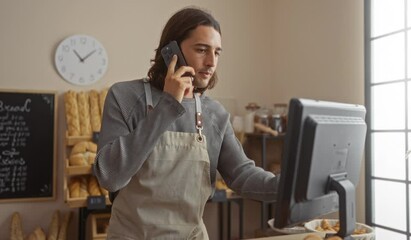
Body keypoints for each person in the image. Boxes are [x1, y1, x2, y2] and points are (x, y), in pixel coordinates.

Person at [93, 6, 279, 239]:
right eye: (202, 50)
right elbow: (110, 177)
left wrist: (290, 187)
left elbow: (242, 175)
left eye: (217, 52)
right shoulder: (124, 96)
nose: (212, 62)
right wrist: (168, 105)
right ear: (171, 51)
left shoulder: (215, 113)